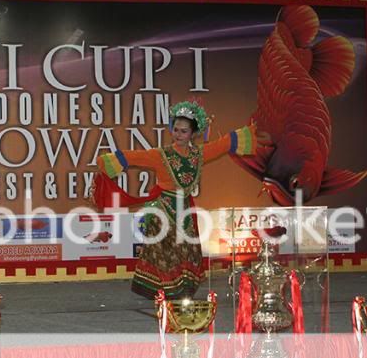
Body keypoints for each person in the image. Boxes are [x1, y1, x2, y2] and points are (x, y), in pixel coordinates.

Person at [94, 100, 270, 299]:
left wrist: (250, 133)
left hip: (185, 211)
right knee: (169, 255)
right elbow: (134, 156)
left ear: (193, 134)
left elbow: (222, 144)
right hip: (163, 211)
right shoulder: (161, 155)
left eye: (183, 131)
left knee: (189, 252)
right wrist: (107, 162)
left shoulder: (198, 154)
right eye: (176, 130)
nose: (178, 135)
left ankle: (179, 294)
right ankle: (172, 295)